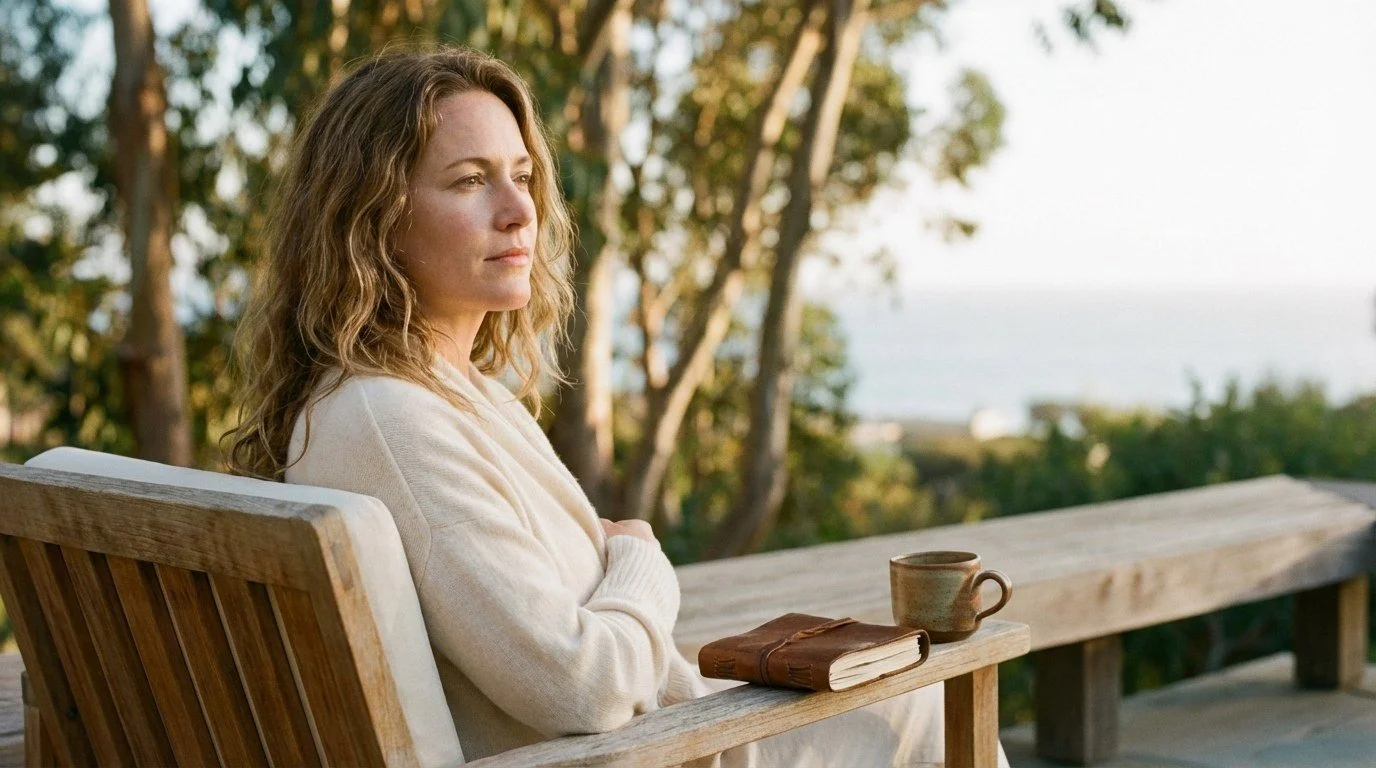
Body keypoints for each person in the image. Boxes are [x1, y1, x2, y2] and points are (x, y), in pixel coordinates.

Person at [225, 46, 1006, 767]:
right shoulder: (390, 423)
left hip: (656, 741)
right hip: (645, 755)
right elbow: (580, 683)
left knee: (915, 701)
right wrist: (640, 560)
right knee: (935, 713)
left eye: (522, 176)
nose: (518, 211)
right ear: (374, 219)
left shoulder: (451, 398)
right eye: (469, 181)